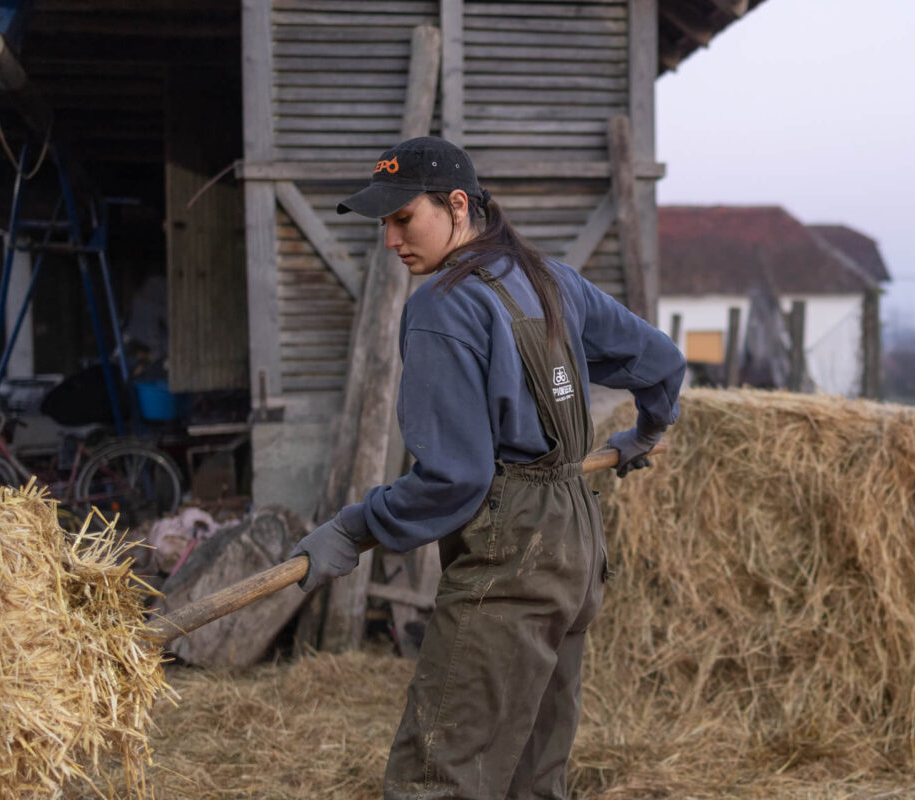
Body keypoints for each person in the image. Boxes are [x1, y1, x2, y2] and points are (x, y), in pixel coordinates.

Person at [290, 136, 685, 799]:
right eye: (383, 223)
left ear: (455, 204)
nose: (390, 241)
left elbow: (455, 479)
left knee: (440, 777)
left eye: (401, 218)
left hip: (513, 560)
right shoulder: (547, 277)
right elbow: (661, 363)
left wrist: (357, 527)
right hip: (577, 550)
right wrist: (646, 432)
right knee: (534, 780)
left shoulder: (443, 307)